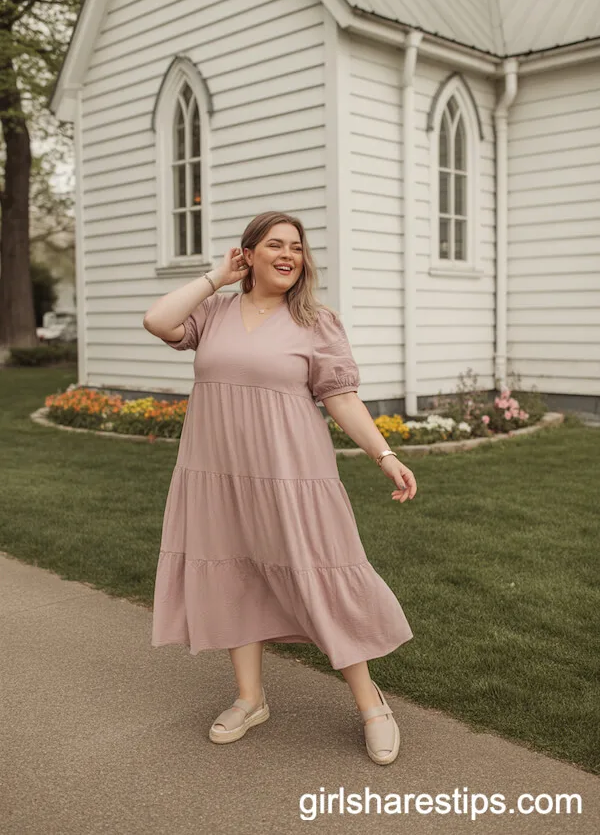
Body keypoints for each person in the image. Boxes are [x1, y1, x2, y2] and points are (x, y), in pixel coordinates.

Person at [143, 210, 417, 765]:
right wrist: (216, 277)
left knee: (319, 573)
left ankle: (371, 705)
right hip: (218, 473)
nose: (290, 254)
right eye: (275, 245)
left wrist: (383, 454)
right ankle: (249, 698)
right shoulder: (214, 312)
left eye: (297, 246)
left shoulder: (316, 321)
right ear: (248, 254)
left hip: (292, 475)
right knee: (235, 570)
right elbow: (156, 320)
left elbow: (340, 396)